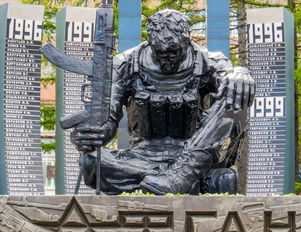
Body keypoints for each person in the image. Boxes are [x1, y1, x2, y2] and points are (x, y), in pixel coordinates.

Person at [71, 9, 255, 195]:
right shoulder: (124, 64)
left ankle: (184, 175)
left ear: (187, 41)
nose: (166, 56)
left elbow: (228, 73)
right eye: (160, 51)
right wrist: (91, 133)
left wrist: (240, 73)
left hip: (194, 158)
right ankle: (177, 181)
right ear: (151, 43)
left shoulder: (208, 61)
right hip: (141, 158)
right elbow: (107, 120)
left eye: (174, 51)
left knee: (235, 94)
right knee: (91, 161)